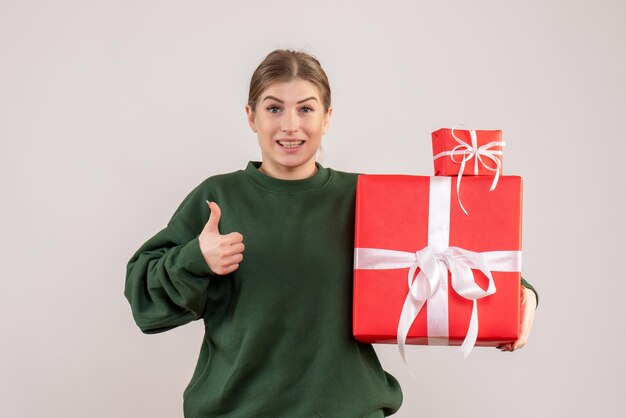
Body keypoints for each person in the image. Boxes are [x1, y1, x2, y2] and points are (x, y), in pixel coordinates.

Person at [124, 49, 538, 418]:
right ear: (251, 116)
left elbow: (458, 261)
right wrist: (197, 258)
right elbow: (144, 301)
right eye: (274, 108)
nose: (290, 125)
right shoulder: (218, 197)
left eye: (305, 109)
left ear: (327, 117)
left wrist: (525, 297)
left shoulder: (368, 197)